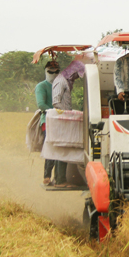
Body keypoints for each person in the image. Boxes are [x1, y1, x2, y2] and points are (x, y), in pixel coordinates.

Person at [51, 60, 86, 188]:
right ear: (73, 72)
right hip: (62, 121)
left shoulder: (65, 80)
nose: (77, 78)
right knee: (62, 150)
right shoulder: (61, 81)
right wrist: (66, 115)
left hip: (63, 120)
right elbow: (56, 102)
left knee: (63, 150)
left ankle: (60, 179)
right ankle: (60, 181)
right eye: (77, 75)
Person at [35, 60, 59, 185]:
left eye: (56, 71)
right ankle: (47, 176)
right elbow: (41, 104)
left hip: (61, 120)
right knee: (50, 148)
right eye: (51, 71)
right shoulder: (41, 86)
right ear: (46, 71)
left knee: (60, 148)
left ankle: (59, 177)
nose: (53, 73)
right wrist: (56, 112)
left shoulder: (61, 84)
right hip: (48, 120)